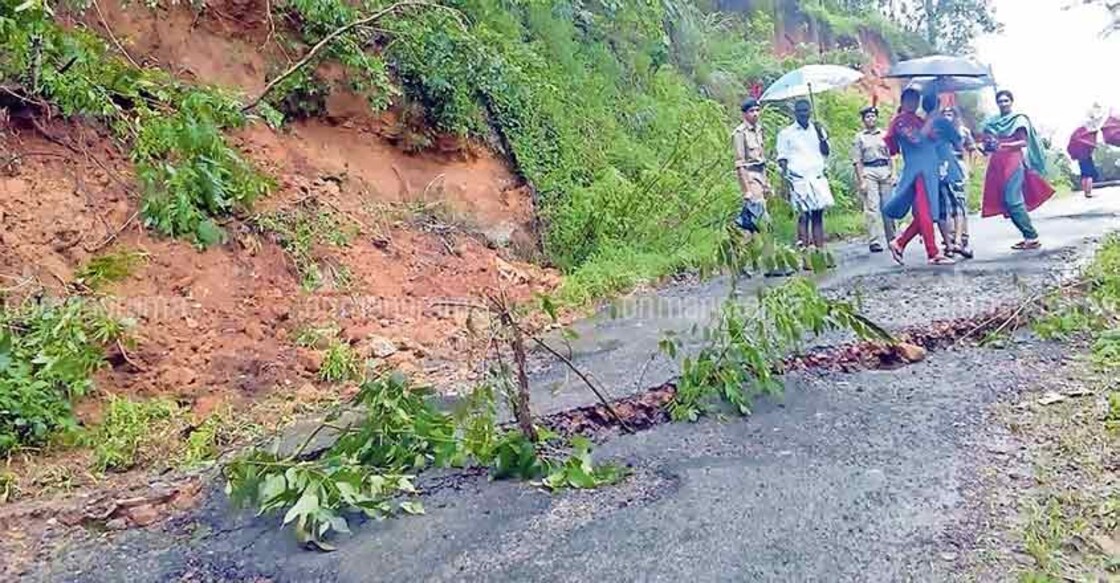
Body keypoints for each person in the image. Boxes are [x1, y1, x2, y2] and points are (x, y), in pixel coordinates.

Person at [882, 88, 955, 266]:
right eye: (909, 100)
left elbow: (935, 138)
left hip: (929, 169)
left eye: (915, 100)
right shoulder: (900, 121)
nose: (913, 103)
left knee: (926, 211)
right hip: (917, 170)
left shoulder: (919, 119)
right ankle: (933, 252)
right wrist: (931, 119)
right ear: (902, 102)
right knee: (926, 210)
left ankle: (900, 242)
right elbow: (916, 139)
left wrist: (936, 119)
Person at [979, 90, 1055, 250]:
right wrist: (986, 145)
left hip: (1012, 161)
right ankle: (1028, 236)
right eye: (1000, 101)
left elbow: (1023, 142)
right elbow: (986, 141)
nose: (1003, 104)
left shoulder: (1019, 119)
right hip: (997, 162)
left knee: (1013, 200)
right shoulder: (992, 121)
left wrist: (1003, 145)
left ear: (1011, 102)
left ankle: (1032, 236)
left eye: (1006, 100)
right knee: (1005, 202)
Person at [777, 99, 834, 256]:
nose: (803, 114)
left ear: (810, 111)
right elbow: (782, 159)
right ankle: (805, 254)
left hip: (816, 177)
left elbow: (826, 152)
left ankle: (820, 252)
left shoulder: (817, 129)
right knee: (803, 216)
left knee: (818, 215)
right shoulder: (786, 134)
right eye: (800, 111)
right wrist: (785, 182)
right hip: (798, 179)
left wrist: (821, 135)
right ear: (795, 113)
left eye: (806, 111)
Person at [851, 105, 895, 253]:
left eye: (873, 116)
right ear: (863, 120)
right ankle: (874, 240)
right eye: (867, 117)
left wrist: (893, 173)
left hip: (884, 169)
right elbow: (857, 160)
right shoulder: (860, 137)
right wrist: (861, 180)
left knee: (888, 206)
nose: (871, 119)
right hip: (869, 170)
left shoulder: (884, 134)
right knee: (872, 207)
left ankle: (892, 238)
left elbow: (891, 155)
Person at [937, 105, 974, 259]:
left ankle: (962, 238)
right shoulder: (937, 131)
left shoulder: (962, 131)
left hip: (958, 165)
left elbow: (970, 148)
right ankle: (950, 241)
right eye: (945, 113)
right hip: (941, 166)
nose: (948, 116)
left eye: (950, 113)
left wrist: (970, 167)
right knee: (944, 206)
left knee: (959, 202)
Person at [732, 98, 771, 237]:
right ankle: (750, 240)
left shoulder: (759, 130)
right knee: (758, 212)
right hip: (750, 175)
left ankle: (750, 240)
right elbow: (740, 164)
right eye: (751, 111)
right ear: (744, 114)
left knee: (758, 214)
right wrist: (746, 190)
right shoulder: (740, 133)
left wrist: (767, 183)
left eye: (757, 110)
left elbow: (762, 158)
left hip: (761, 174)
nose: (755, 114)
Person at [1067, 124, 1100, 198]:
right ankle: (1089, 192)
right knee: (1089, 176)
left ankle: (1085, 192)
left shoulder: (1077, 143)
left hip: (1080, 160)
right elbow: (1091, 147)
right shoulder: (1086, 141)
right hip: (1087, 158)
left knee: (1084, 176)